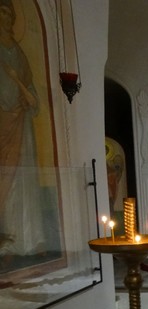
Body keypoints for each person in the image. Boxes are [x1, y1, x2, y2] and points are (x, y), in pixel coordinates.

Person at [0, 0, 47, 262]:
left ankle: (31, 240)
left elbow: (32, 93)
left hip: (22, 125)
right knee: (7, 181)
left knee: (26, 180)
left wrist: (27, 97)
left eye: (8, 13)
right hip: (3, 124)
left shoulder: (18, 52)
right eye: (1, 13)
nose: (5, 18)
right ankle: (10, 243)